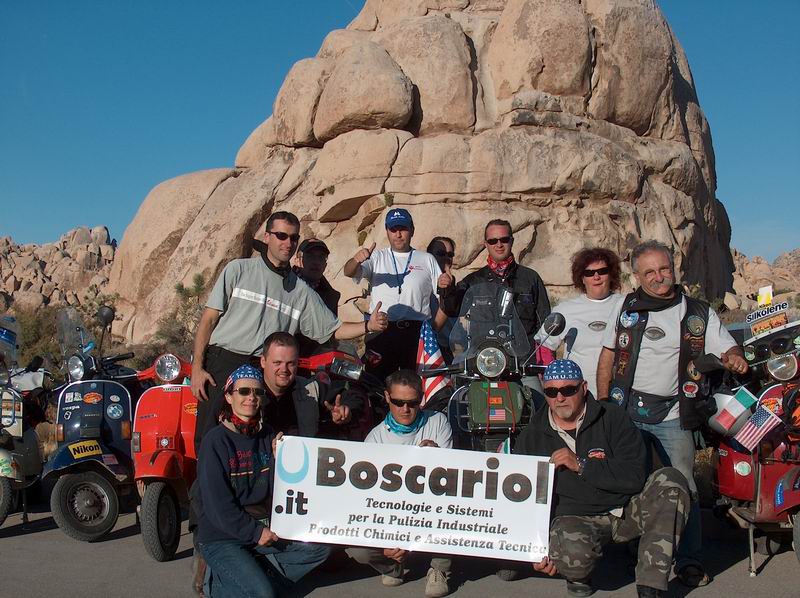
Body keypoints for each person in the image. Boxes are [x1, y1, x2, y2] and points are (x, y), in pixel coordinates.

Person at [596, 240, 748, 588]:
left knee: (685, 485)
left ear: (674, 268)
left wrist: (735, 358)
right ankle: (636, 552)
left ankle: (689, 559)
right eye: (649, 272)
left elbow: (728, 348)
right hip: (626, 410)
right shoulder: (624, 307)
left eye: (664, 269)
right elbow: (607, 356)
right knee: (632, 483)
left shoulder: (697, 312)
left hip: (675, 413)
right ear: (637, 276)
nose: (658, 277)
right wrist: (604, 404)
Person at [191, 211, 387, 453]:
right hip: (224, 362)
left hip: (265, 369)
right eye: (281, 236)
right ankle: (205, 478)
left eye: (293, 238)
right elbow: (209, 319)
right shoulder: (238, 270)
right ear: (267, 237)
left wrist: (368, 326)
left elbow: (333, 329)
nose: (288, 243)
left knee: (261, 439)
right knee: (210, 436)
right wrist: (197, 368)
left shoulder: (301, 291)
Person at [515, 359, 690, 598]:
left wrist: (582, 465)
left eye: (568, 390)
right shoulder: (531, 436)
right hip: (575, 517)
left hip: (625, 509)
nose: (560, 398)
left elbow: (635, 475)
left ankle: (651, 584)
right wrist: (536, 549)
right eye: (551, 392)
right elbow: (524, 501)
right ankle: (577, 575)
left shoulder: (613, 417)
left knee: (671, 481)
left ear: (584, 388)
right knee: (571, 557)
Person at [195, 364, 330, 597]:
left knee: (320, 548)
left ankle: (253, 576)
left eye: (257, 392)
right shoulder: (215, 441)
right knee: (263, 594)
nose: (251, 397)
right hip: (222, 536)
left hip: (263, 527)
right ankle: (213, 585)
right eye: (243, 391)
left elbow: (278, 490)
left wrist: (281, 461)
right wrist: (255, 532)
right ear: (229, 396)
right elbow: (218, 506)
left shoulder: (268, 435)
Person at [345, 370, 453, 598]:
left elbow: (450, 481)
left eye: (412, 403)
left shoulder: (438, 422)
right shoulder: (375, 438)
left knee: (453, 508)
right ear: (387, 397)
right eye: (398, 402)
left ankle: (439, 569)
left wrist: (438, 457)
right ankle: (393, 567)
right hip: (391, 513)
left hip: (431, 507)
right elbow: (368, 499)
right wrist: (387, 540)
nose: (405, 409)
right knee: (358, 549)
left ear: (421, 399)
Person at [344, 209, 443, 381]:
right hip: (382, 331)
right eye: (393, 229)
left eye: (403, 229)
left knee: (415, 385)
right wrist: (356, 260)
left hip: (416, 333)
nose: (398, 234)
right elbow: (349, 272)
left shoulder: (427, 259)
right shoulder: (376, 257)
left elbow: (443, 295)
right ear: (387, 231)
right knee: (375, 383)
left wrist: (434, 327)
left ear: (412, 230)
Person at [442, 219, 551, 360]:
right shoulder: (473, 280)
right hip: (484, 360)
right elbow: (452, 310)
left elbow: (544, 320)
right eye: (493, 241)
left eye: (504, 239)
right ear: (486, 244)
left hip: (523, 361)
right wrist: (448, 289)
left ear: (512, 241)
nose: (499, 245)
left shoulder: (530, 278)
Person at [534, 248, 624, 398]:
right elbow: (543, 345)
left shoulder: (627, 305)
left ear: (611, 274)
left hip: (620, 395)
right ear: (582, 278)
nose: (596, 277)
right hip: (578, 396)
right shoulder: (565, 310)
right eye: (589, 273)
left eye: (602, 271)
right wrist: (554, 382)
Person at [259, 331, 366, 440]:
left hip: (302, 450)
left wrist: (346, 412)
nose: (284, 369)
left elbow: (352, 397)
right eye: (277, 363)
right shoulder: (250, 392)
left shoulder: (310, 388)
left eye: (291, 363)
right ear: (263, 361)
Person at [293, 238, 341, 358]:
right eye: (310, 256)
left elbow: (330, 335)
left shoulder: (331, 297)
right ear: (297, 260)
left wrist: (368, 326)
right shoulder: (283, 285)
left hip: (310, 362)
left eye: (321, 257)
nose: (316, 262)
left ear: (325, 265)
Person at [427, 236, 457, 363]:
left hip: (446, 350)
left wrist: (448, 291)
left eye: (450, 255)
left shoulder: (455, 288)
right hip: (424, 348)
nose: (446, 258)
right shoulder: (421, 283)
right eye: (440, 253)